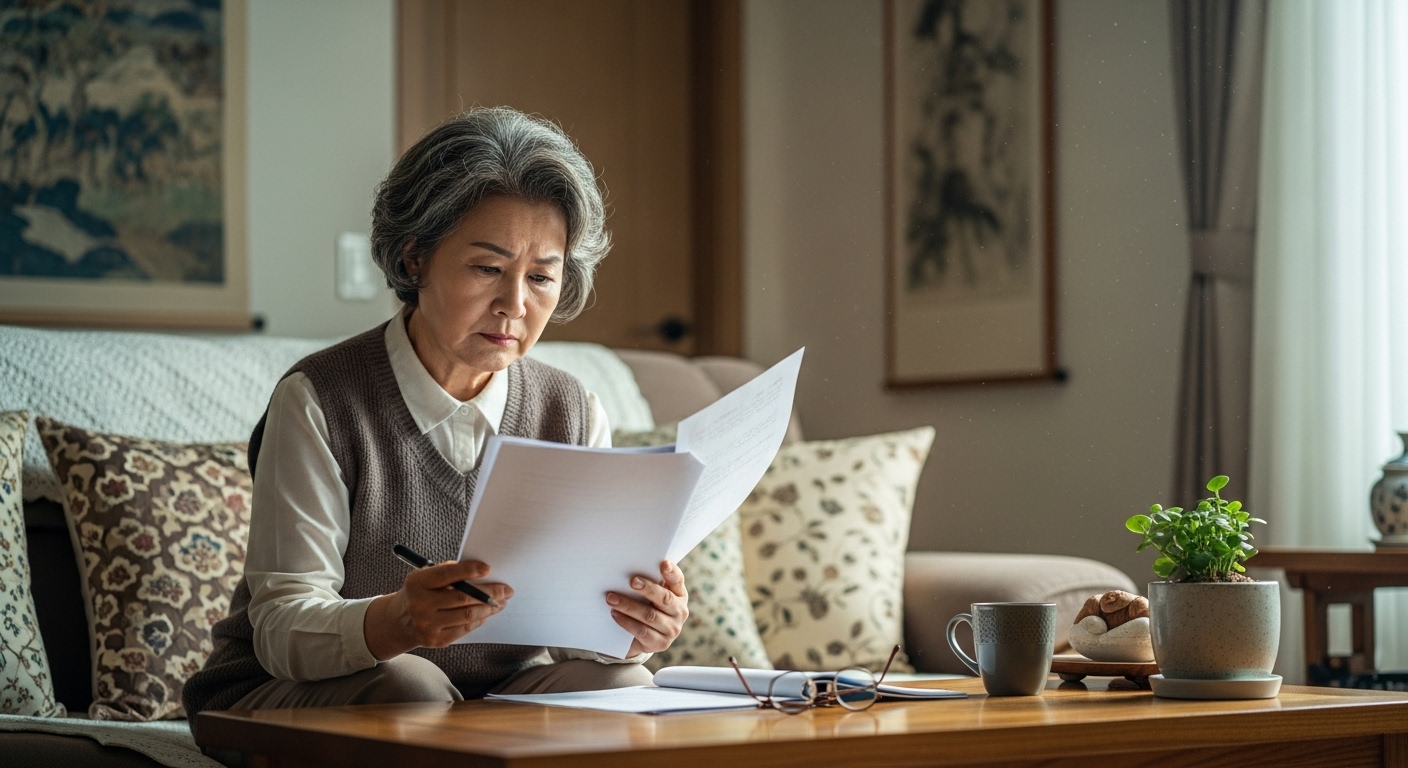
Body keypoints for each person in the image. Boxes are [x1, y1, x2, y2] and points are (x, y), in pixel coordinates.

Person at [184, 107, 687, 722]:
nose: (514, 305)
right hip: (287, 694)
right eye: (488, 268)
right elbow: (282, 625)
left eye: (541, 278)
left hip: (488, 702)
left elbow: (578, 638)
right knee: (412, 687)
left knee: (627, 684)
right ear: (415, 256)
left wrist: (635, 627)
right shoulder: (321, 398)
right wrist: (396, 621)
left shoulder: (572, 411)